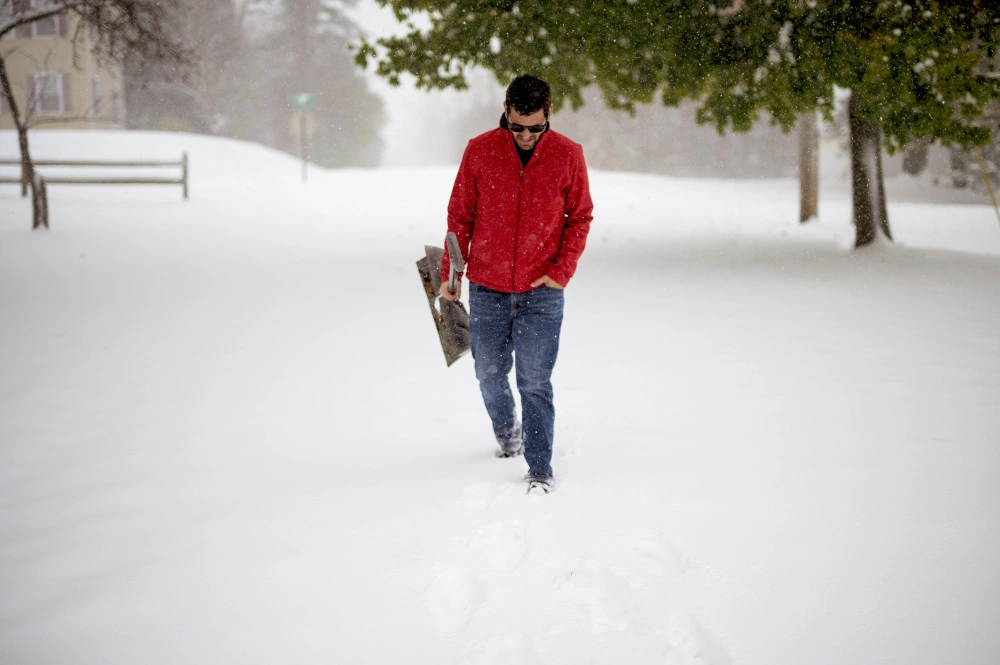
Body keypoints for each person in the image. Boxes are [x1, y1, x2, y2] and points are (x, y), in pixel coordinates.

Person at [439, 74, 594, 494]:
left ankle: (539, 468)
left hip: (542, 292)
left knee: (533, 381)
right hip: (487, 288)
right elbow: (460, 218)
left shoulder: (567, 155)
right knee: (488, 374)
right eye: (517, 125)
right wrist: (450, 276)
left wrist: (561, 272)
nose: (525, 135)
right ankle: (508, 434)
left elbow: (579, 217)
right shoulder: (479, 151)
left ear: (548, 116)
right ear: (506, 112)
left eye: (535, 127)